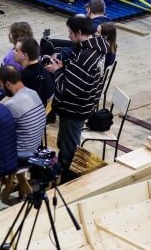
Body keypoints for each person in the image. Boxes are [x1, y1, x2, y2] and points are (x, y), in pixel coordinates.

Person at [44, 15, 107, 174]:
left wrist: (56, 71)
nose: (68, 36)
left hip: (74, 109)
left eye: (71, 33)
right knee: (65, 143)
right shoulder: (90, 49)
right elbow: (79, 74)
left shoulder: (86, 56)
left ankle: (69, 179)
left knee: (69, 150)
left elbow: (70, 88)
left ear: (79, 32)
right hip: (80, 106)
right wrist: (64, 66)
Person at [0, 65, 45, 162]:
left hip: (21, 153)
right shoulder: (32, 92)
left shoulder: (11, 105)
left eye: (0, 85)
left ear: (8, 84)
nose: (1, 89)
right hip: (35, 146)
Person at [17, 37, 56, 105]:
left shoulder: (25, 76)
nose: (13, 52)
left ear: (24, 55)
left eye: (16, 50)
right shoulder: (43, 68)